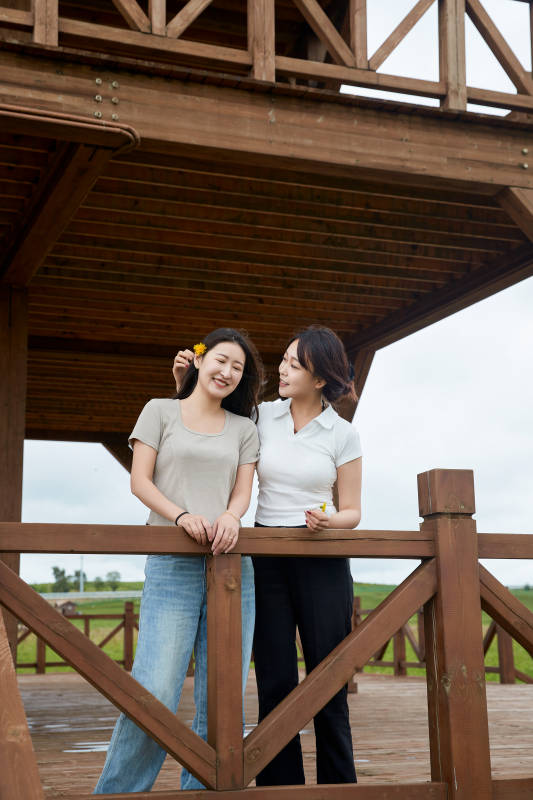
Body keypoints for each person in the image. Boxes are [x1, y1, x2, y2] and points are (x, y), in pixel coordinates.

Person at [173, 325, 362, 786]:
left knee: (328, 682)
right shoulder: (260, 417)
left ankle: (340, 789)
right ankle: (280, 789)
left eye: (294, 364)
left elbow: (353, 511)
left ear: (320, 379)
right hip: (266, 559)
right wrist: (185, 382)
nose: (281, 369)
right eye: (283, 360)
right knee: (275, 682)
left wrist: (327, 520)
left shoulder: (342, 432)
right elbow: (207, 423)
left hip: (323, 561)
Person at [94, 328, 263, 794]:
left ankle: (203, 789)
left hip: (233, 569)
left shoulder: (245, 428)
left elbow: (242, 491)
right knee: (156, 691)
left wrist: (231, 515)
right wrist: (181, 516)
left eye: (238, 368)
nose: (227, 372)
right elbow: (140, 482)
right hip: (171, 563)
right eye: (221, 360)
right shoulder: (160, 410)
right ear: (200, 360)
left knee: (224, 696)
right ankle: (118, 794)